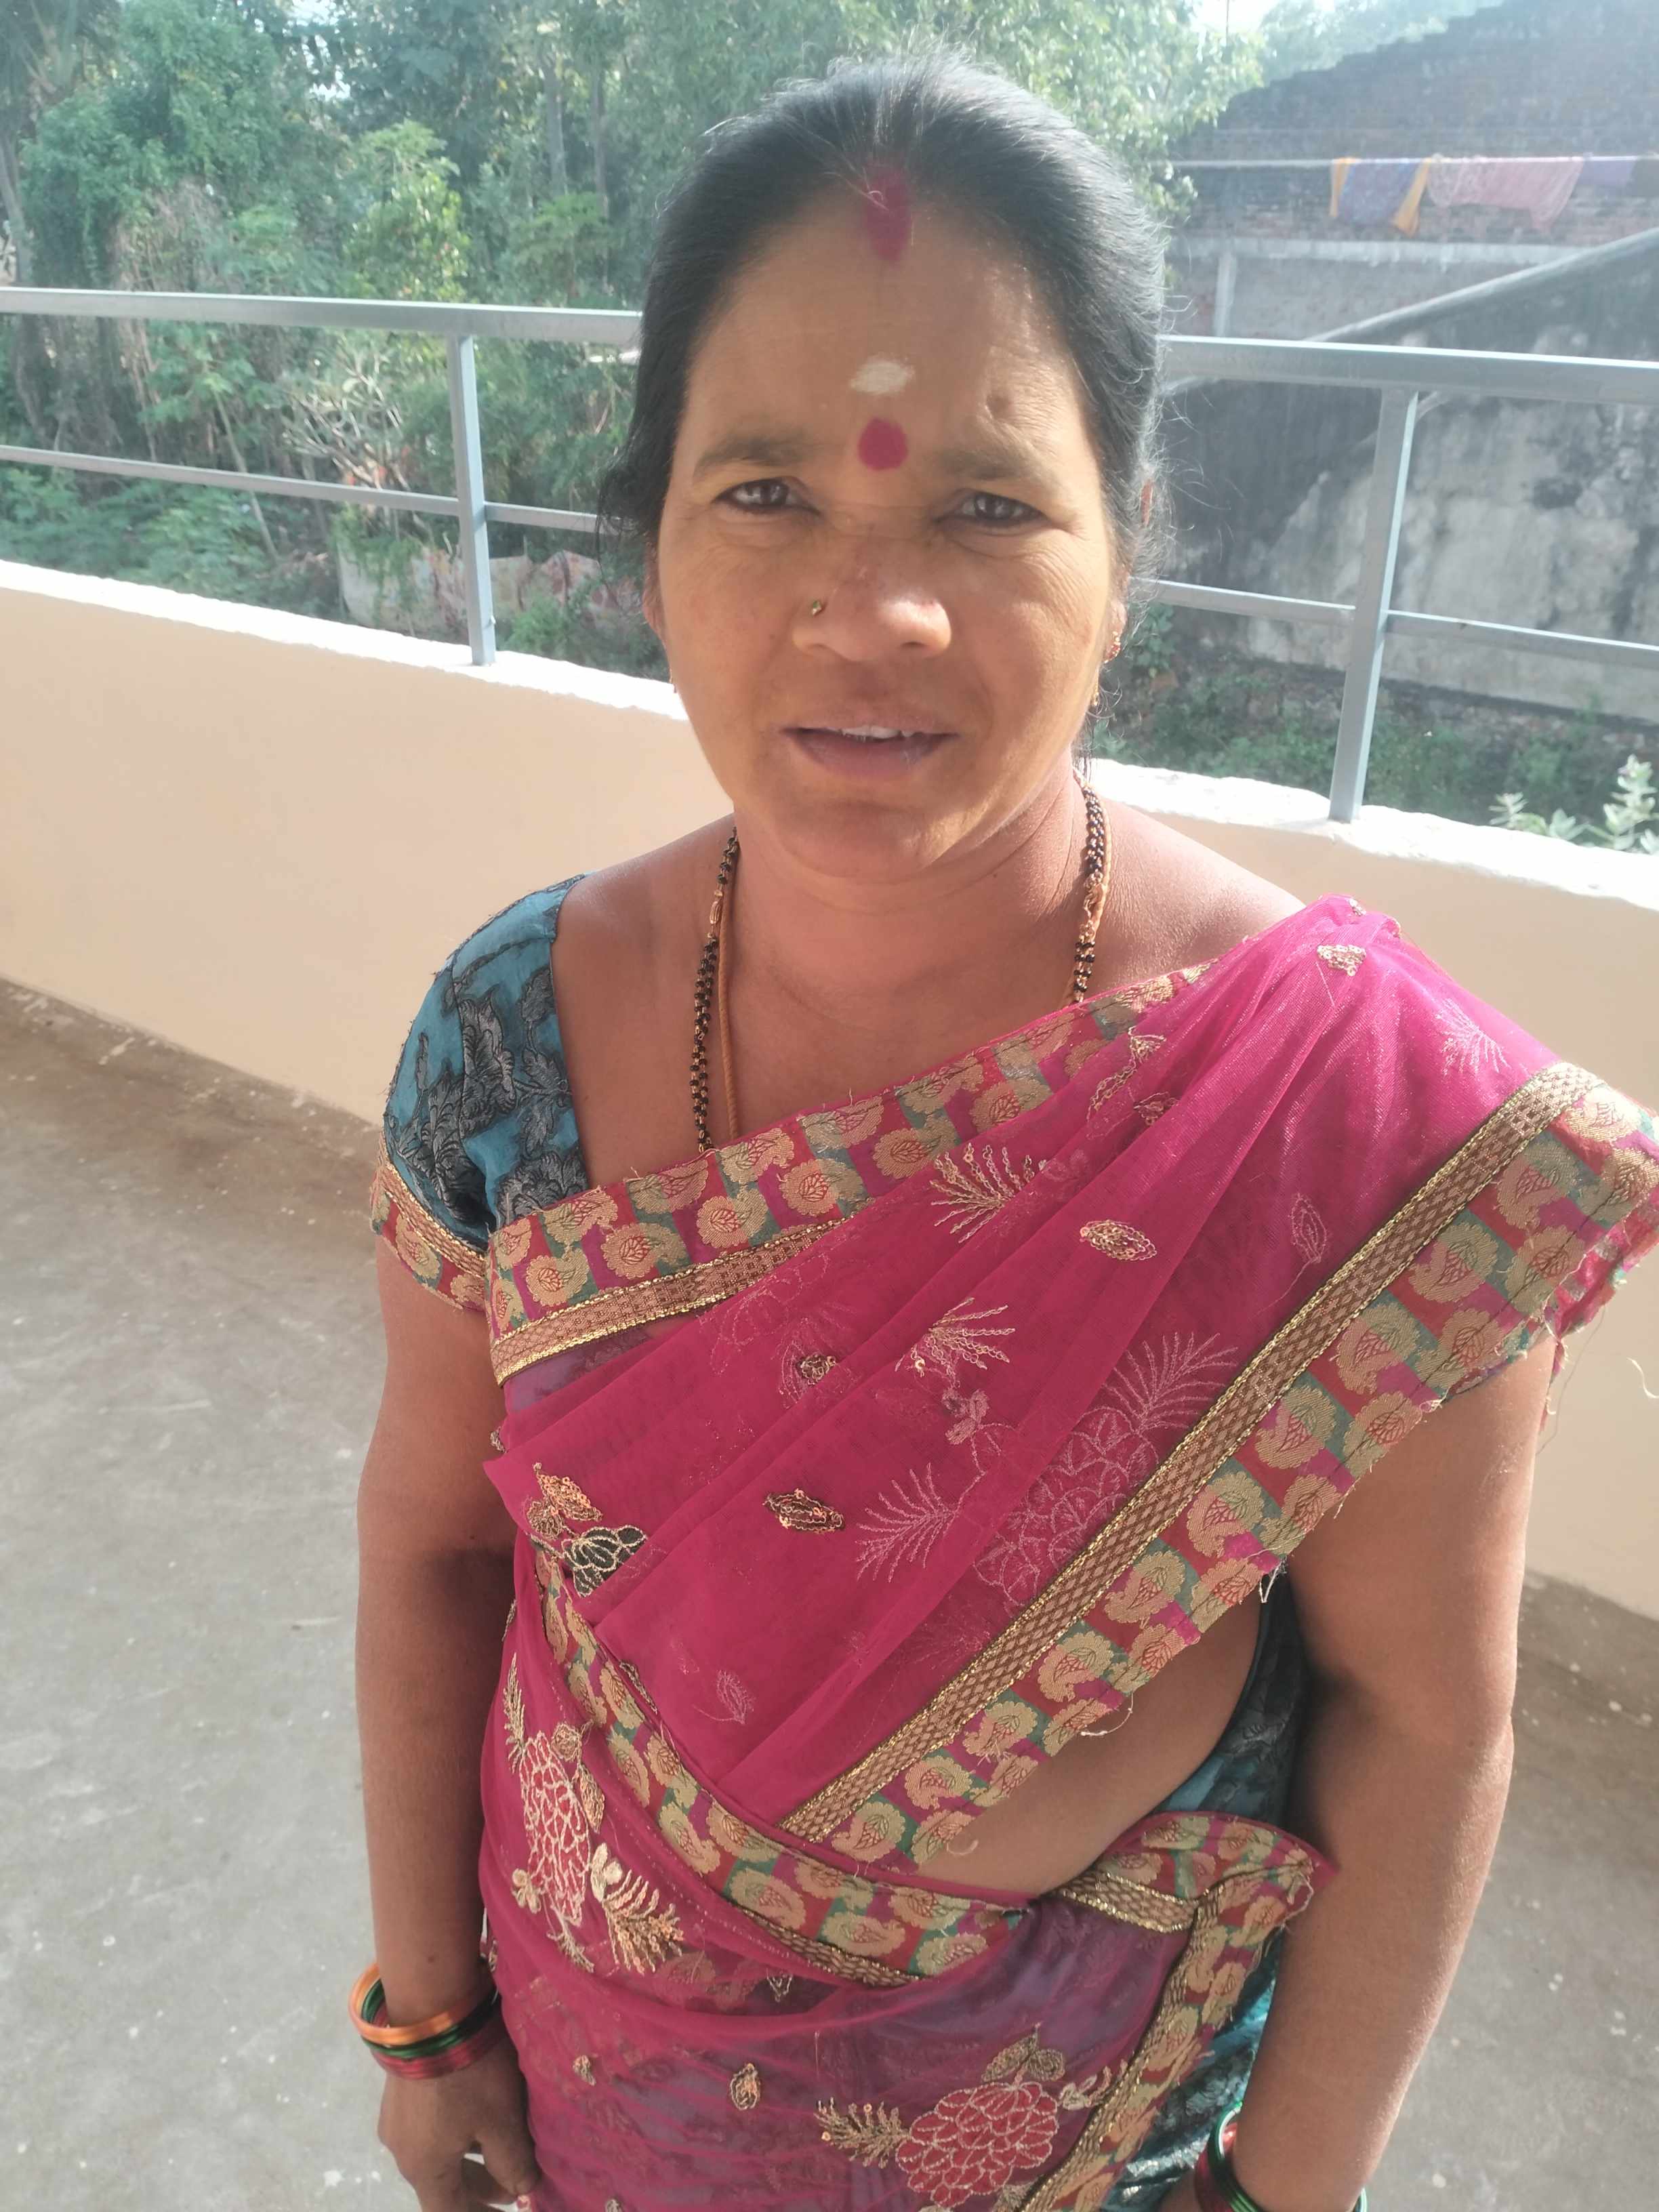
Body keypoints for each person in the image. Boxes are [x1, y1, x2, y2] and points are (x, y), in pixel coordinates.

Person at [352, 53, 1659, 2212]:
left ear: (1128, 557)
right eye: (763, 493)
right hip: (588, 2104)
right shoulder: (512, 1037)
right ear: (649, 546)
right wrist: (426, 2014)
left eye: (986, 507)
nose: (874, 614)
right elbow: (434, 1548)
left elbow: (1423, 1724)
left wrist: (1284, 2195)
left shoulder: (1346, 1125)